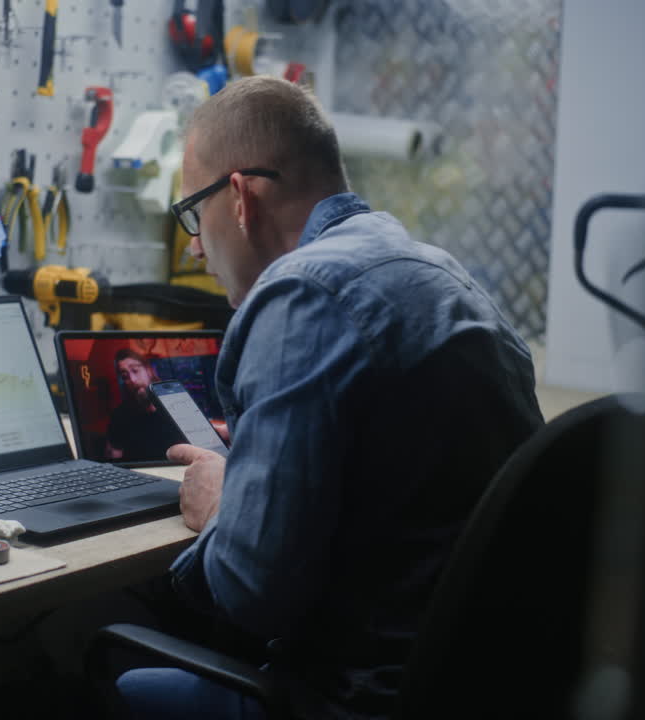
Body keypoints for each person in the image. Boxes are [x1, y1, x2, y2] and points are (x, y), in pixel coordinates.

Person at [115, 76, 545, 719]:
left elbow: (249, 591)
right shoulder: (440, 273)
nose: (195, 246)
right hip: (482, 687)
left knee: (66, 687)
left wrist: (226, 503)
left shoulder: (302, 295)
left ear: (238, 198)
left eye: (191, 216)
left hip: (358, 697)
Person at [104, 348, 186, 463]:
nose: (132, 380)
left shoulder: (177, 405)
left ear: (149, 370)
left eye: (135, 370)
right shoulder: (120, 415)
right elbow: (114, 456)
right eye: (125, 376)